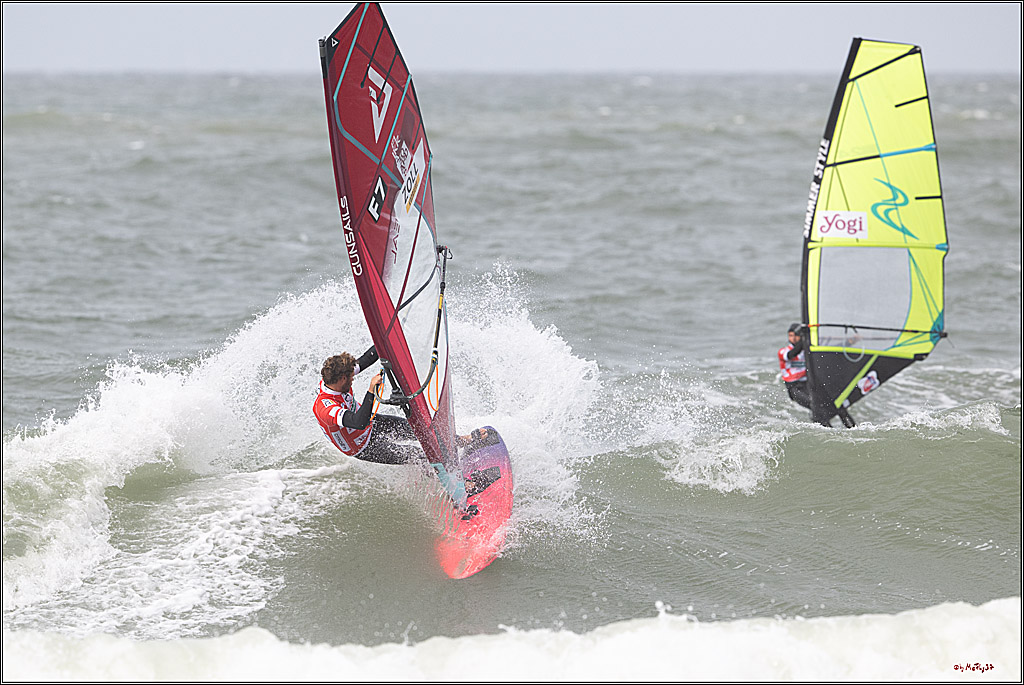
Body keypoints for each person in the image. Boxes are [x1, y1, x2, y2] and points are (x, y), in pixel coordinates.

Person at [313, 345, 493, 465]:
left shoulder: (338, 378)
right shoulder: (326, 408)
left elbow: (368, 358)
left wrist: (384, 338)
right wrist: (371, 390)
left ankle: (461, 441)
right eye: (351, 378)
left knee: (421, 430)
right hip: (362, 446)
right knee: (417, 456)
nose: (353, 379)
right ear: (342, 379)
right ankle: (453, 484)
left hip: (370, 423)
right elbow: (358, 422)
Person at [778, 324, 855, 428]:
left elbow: (829, 349)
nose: (793, 338)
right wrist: (806, 337)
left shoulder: (808, 350)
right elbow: (792, 354)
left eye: (796, 335)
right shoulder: (783, 351)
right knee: (816, 407)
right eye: (790, 335)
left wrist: (849, 342)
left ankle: (853, 429)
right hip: (795, 389)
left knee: (837, 405)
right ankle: (830, 434)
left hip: (810, 385)